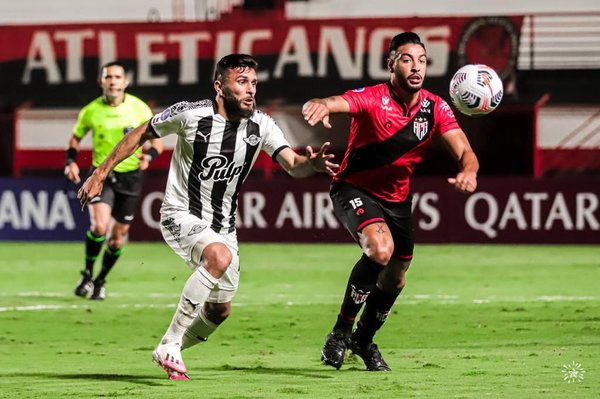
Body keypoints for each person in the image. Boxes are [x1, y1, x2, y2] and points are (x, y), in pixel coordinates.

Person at [77, 54, 339, 380]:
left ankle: (169, 349)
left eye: (254, 83)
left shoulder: (262, 125)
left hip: (224, 225)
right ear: (219, 86)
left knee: (220, 309)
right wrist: (100, 173)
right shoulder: (191, 114)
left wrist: (309, 166)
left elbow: (292, 164)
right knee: (219, 256)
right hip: (180, 212)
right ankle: (171, 343)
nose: (250, 90)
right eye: (241, 82)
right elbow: (141, 133)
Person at [302, 32, 479, 371]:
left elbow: (466, 152)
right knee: (379, 251)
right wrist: (324, 104)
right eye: (407, 59)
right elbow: (342, 101)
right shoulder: (373, 97)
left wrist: (469, 171)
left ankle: (363, 340)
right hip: (353, 187)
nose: (416, 67)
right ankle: (340, 333)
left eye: (422, 60)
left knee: (396, 278)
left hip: (396, 201)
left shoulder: (435, 107)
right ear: (391, 64)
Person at [65, 61, 163, 300]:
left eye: (118, 77)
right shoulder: (90, 111)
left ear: (125, 82)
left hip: (131, 177)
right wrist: (71, 161)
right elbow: (75, 139)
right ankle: (87, 274)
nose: (113, 81)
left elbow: (157, 143)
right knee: (99, 226)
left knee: (117, 239)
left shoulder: (139, 108)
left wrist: (148, 157)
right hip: (101, 174)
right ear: (102, 81)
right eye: (108, 77)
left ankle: (100, 280)